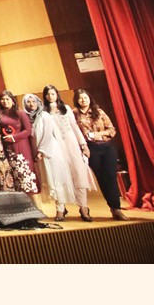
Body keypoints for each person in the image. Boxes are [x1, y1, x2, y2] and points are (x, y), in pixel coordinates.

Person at [73, 89, 128, 221]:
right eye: (80, 98)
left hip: (107, 147)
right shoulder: (74, 114)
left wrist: (99, 134)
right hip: (91, 148)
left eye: (85, 97)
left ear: (89, 98)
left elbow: (111, 130)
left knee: (111, 177)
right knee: (102, 179)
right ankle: (112, 206)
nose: (83, 100)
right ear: (77, 100)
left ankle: (116, 208)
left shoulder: (99, 111)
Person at [24, 93, 80, 221]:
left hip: (51, 152)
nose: (31, 104)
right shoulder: (28, 118)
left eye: (33, 101)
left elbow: (48, 134)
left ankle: (60, 209)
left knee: (57, 180)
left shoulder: (44, 115)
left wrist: (41, 151)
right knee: (48, 182)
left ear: (38, 102)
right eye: (28, 102)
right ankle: (60, 207)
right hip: (39, 155)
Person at [43, 85, 92, 220]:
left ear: (57, 95)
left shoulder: (66, 109)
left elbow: (74, 127)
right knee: (59, 176)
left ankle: (83, 207)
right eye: (48, 94)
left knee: (78, 173)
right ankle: (60, 208)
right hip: (56, 146)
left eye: (53, 93)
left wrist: (83, 144)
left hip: (71, 144)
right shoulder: (44, 112)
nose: (50, 96)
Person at [0, 90, 39, 196]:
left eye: (7, 99)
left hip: (22, 146)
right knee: (16, 176)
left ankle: (35, 203)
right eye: (2, 99)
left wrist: (14, 137)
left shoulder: (20, 113)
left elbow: (28, 130)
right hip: (8, 148)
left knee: (26, 174)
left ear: (13, 100)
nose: (5, 101)